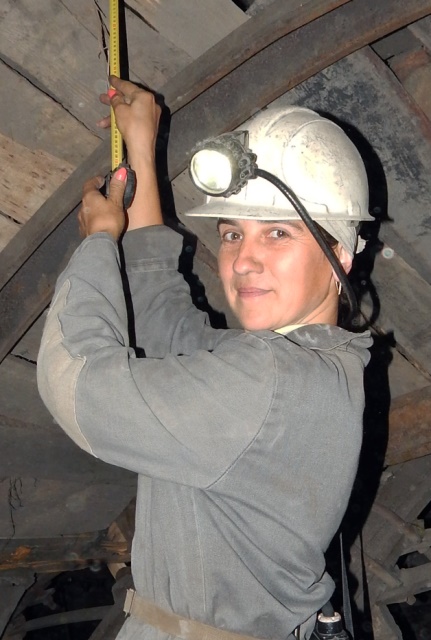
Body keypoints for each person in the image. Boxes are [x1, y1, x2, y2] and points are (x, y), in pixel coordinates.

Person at [37, 77, 372, 640]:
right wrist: (141, 149)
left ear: (339, 252)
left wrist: (97, 244)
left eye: (278, 234)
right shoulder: (312, 369)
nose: (243, 261)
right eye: (233, 234)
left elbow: (76, 387)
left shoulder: (270, 382)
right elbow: (164, 318)